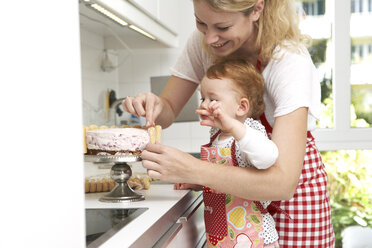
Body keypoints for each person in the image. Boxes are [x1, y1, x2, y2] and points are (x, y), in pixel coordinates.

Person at [122, 0, 335, 247]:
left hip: (291, 197)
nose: (210, 38)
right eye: (201, 22)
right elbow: (168, 110)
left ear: (257, 9)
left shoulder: (288, 60)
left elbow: (283, 183)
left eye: (222, 27)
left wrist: (193, 169)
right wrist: (154, 106)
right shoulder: (202, 43)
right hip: (239, 201)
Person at [184, 57, 281, 247]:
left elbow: (268, 158)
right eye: (203, 98)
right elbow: (217, 178)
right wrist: (196, 182)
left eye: (213, 99)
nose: (204, 105)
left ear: (241, 107)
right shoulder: (216, 137)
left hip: (255, 238)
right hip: (221, 237)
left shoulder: (249, 133)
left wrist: (235, 128)